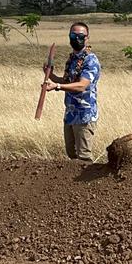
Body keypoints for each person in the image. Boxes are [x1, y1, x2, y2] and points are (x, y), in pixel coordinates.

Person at [42, 21, 100, 163]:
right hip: (70, 113)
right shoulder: (72, 59)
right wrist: (51, 76)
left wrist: (57, 87)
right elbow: (67, 82)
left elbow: (82, 86)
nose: (76, 38)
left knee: (84, 156)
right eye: (73, 35)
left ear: (87, 38)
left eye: (80, 35)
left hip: (84, 114)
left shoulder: (91, 60)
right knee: (71, 154)